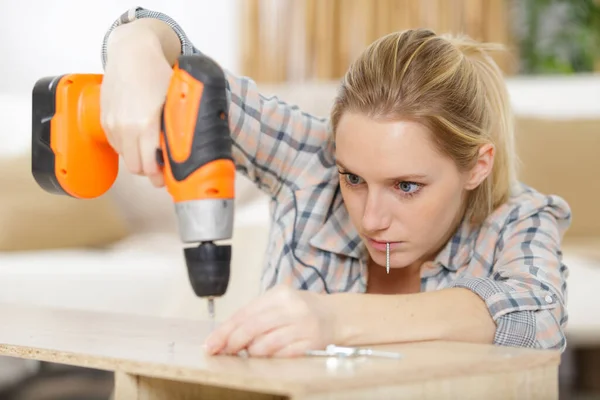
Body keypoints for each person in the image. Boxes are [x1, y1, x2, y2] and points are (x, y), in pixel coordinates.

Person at [100, 7, 572, 357]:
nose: (371, 219)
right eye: (353, 178)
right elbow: (190, 71)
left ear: (477, 166)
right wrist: (135, 44)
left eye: (406, 186)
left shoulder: (519, 218)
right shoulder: (309, 161)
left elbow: (539, 318)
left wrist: (332, 318)